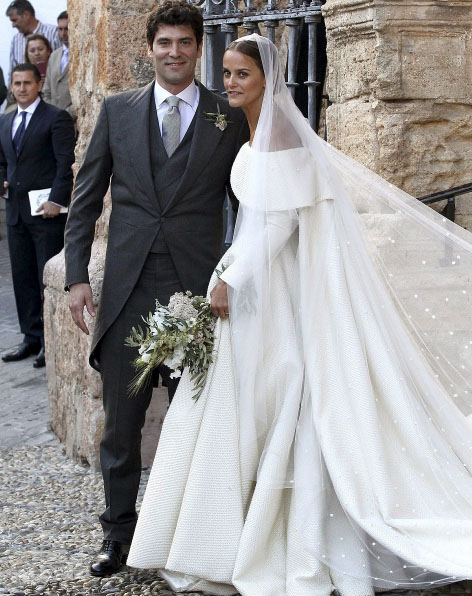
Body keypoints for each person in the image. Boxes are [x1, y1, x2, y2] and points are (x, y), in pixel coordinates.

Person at [127, 34, 472, 596]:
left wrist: (230, 278)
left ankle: (288, 537)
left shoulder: (282, 133)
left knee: (283, 393)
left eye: (241, 74)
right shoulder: (251, 129)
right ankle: (223, 532)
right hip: (252, 280)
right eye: (228, 74)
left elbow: (282, 222)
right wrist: (229, 269)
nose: (231, 83)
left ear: (268, 77)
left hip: (275, 288)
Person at [64, 0, 248, 578]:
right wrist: (75, 276)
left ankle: (187, 536)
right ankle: (117, 536)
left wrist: (236, 276)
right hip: (127, 295)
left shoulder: (229, 116)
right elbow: (86, 196)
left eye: (184, 43)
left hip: (200, 297)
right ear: (149, 50)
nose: (174, 53)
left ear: (199, 48)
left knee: (195, 423)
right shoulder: (118, 112)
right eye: (164, 43)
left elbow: (250, 206)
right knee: (121, 426)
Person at [0, 63, 75, 368]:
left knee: (47, 279)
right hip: (16, 211)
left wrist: (57, 200)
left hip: (46, 214)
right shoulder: (6, 122)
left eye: (26, 83)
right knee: (23, 278)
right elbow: (3, 161)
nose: (20, 89)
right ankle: (30, 337)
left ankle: (48, 341)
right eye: (16, 83)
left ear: (38, 83)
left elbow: (65, 164)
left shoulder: (55, 118)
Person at [6, 1, 60, 92]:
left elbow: (62, 63)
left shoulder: (54, 33)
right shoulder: (16, 40)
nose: (13, 25)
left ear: (26, 15)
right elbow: (12, 71)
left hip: (51, 92)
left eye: (14, 20)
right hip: (23, 95)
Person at [42, 12, 74, 119]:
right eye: (60, 29)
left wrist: (65, 114)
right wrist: (51, 112)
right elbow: (46, 91)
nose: (63, 33)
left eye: (67, 29)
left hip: (72, 118)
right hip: (52, 119)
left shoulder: (81, 56)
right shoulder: (54, 56)